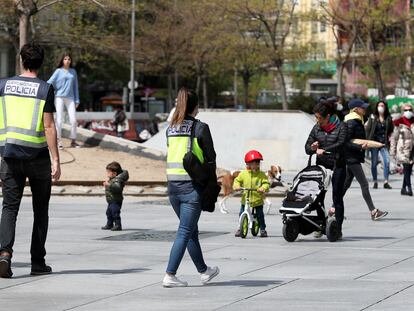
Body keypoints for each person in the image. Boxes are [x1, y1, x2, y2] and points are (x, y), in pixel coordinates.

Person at [0, 42, 61, 278]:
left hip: (10, 155)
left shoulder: (3, 85)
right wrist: (56, 159)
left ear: (21, 60)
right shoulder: (45, 88)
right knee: (40, 209)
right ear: (41, 62)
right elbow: (48, 126)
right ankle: (38, 261)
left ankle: (4, 255)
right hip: (37, 156)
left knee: (9, 207)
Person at [163, 87, 219, 288]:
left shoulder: (170, 128)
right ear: (195, 106)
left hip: (173, 188)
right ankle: (170, 274)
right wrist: (211, 187)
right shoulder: (200, 128)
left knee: (191, 231)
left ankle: (204, 271)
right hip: (191, 188)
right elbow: (211, 159)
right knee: (185, 231)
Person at [305, 100, 347, 239]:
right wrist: (312, 148)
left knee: (337, 198)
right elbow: (307, 146)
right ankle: (320, 226)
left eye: (319, 118)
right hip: (322, 166)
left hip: (338, 164)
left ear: (328, 116)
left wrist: (325, 150)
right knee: (318, 197)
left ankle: (338, 229)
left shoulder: (341, 126)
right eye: (316, 117)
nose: (317, 120)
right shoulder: (316, 128)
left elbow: (341, 144)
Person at [343, 98, 388, 221]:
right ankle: (373, 211)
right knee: (364, 184)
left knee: (346, 184)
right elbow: (346, 142)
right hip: (351, 157)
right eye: (362, 107)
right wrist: (359, 146)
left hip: (353, 156)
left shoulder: (358, 121)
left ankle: (333, 209)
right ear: (356, 109)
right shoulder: (352, 122)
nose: (365, 109)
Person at [233, 150, 270, 238]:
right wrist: (237, 186)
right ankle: (240, 227)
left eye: (258, 163)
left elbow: (266, 183)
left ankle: (262, 229)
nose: (257, 164)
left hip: (257, 199)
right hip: (246, 198)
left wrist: (263, 188)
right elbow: (237, 181)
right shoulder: (243, 174)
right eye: (254, 163)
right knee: (242, 212)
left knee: (260, 215)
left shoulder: (261, 174)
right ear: (248, 164)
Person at [47, 52, 80, 149]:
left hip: (71, 98)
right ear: (62, 60)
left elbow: (75, 86)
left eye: (69, 59)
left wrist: (77, 100)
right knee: (59, 120)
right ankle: (58, 141)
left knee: (73, 120)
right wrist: (48, 88)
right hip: (59, 97)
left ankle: (73, 141)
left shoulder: (73, 72)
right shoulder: (58, 71)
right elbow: (50, 81)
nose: (67, 61)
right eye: (65, 59)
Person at [365, 101, 394, 189]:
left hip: (383, 143)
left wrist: (390, 137)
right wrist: (367, 142)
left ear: (385, 107)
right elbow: (368, 130)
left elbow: (390, 130)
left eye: (382, 106)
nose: (381, 107)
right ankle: (375, 181)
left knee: (387, 162)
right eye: (379, 105)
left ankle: (386, 182)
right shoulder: (373, 117)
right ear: (377, 107)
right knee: (374, 163)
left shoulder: (388, 118)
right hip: (374, 143)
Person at [390, 103, 414, 196]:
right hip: (403, 150)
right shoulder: (398, 122)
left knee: (408, 169)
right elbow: (394, 138)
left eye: (410, 110)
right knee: (407, 168)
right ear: (402, 111)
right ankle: (409, 188)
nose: (408, 112)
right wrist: (392, 152)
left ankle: (403, 188)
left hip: (412, 150)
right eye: (405, 110)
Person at [101, 161, 129, 231]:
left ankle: (118, 225)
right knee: (108, 213)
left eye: (108, 172)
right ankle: (109, 224)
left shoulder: (117, 180)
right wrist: (109, 181)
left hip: (116, 200)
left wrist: (109, 185)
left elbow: (117, 188)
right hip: (111, 199)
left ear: (114, 173)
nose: (107, 174)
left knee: (115, 213)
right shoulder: (113, 179)